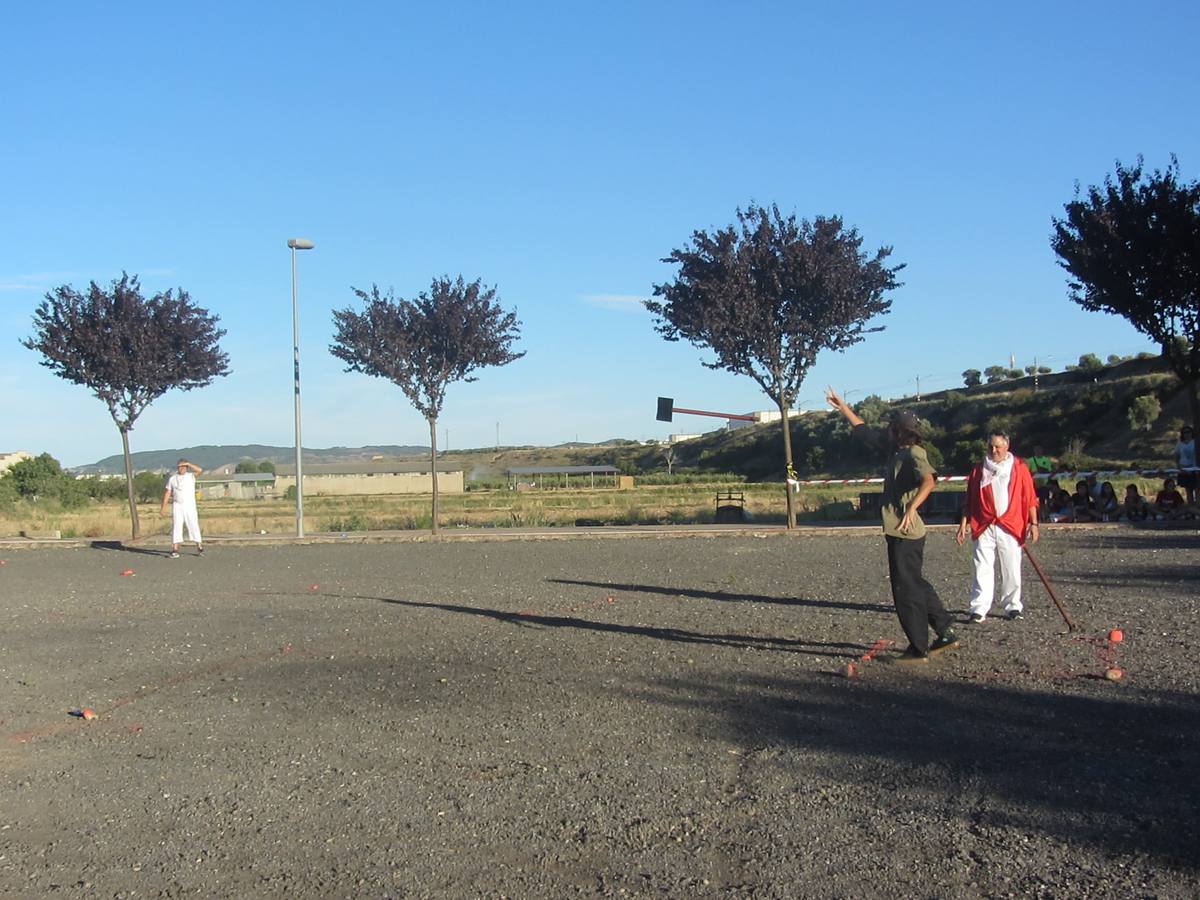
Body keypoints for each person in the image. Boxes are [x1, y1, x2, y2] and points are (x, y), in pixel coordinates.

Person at [826, 388, 958, 664]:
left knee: (905, 590)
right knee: (916, 582)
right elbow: (864, 431)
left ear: (900, 430)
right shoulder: (895, 450)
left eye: (890, 426)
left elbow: (930, 480)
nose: (886, 430)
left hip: (905, 532)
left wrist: (912, 507)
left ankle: (918, 647)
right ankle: (945, 630)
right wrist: (843, 407)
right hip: (903, 532)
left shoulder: (913, 453)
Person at [956, 432, 1040, 623]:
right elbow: (969, 500)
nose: (994, 451)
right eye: (991, 447)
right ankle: (979, 607)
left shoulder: (1019, 468)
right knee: (982, 566)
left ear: (1007, 446)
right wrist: (963, 524)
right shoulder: (979, 470)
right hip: (984, 523)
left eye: (997, 447)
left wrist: (1033, 523)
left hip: (1011, 524)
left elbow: (1030, 498)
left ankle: (1013, 606)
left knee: (1011, 566)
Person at [160, 459, 204, 558]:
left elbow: (199, 470)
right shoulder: (173, 478)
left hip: (190, 505)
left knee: (193, 524)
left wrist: (188, 463)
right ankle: (175, 549)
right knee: (177, 526)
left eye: (184, 467)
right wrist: (163, 507)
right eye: (180, 467)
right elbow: (168, 493)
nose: (182, 468)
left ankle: (199, 547)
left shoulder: (190, 476)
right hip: (177, 505)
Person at [1175, 425, 1197, 506]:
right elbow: (1176, 456)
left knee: (1197, 489)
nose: (1187, 434)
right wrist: (1179, 466)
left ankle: (1197, 508)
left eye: (1188, 432)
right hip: (1183, 468)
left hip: (1194, 469)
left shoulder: (1195, 442)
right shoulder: (1180, 443)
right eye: (1185, 432)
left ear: (1192, 433)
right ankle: (1191, 509)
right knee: (1188, 491)